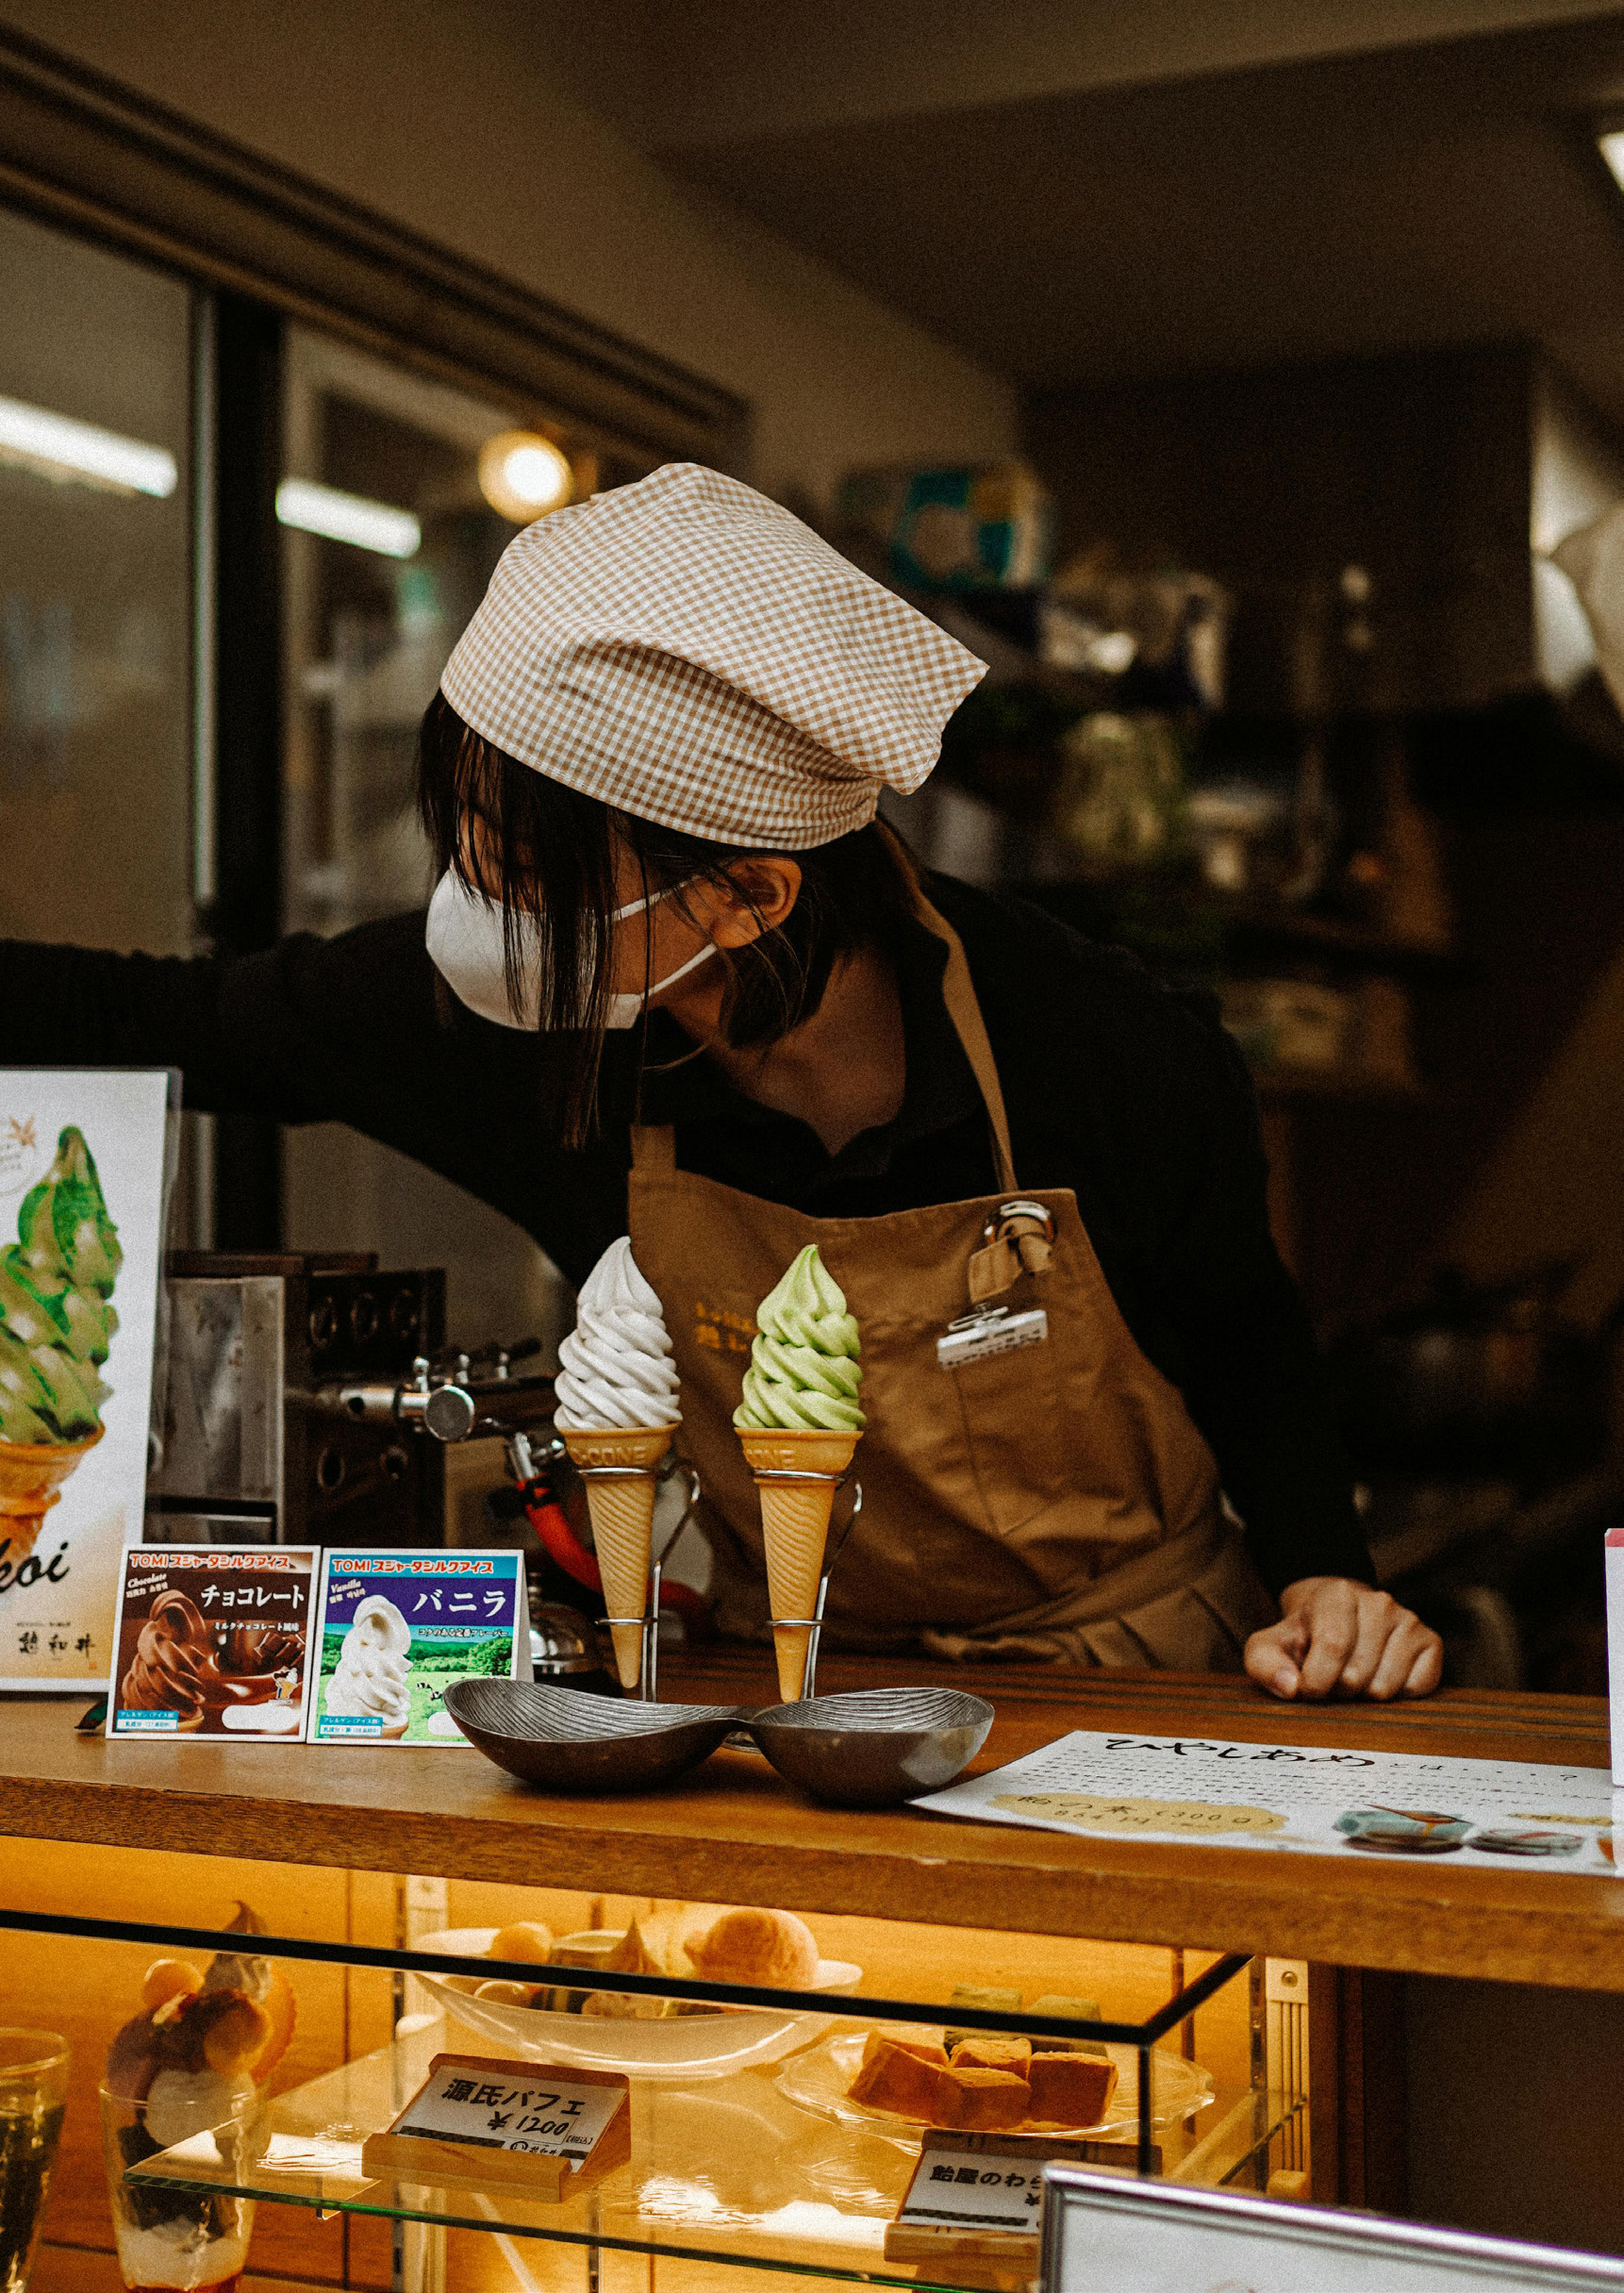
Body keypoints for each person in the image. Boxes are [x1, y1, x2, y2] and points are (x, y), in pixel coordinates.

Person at [0, 462, 1441, 1700]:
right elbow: (164, 1014)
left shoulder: (1105, 1043)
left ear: (746, 894)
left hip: (1134, 1675)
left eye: (523, 877)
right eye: (466, 851)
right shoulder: (528, 1026)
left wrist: (1329, 1576)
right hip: (791, 1689)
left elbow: (1249, 1335)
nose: (468, 908)